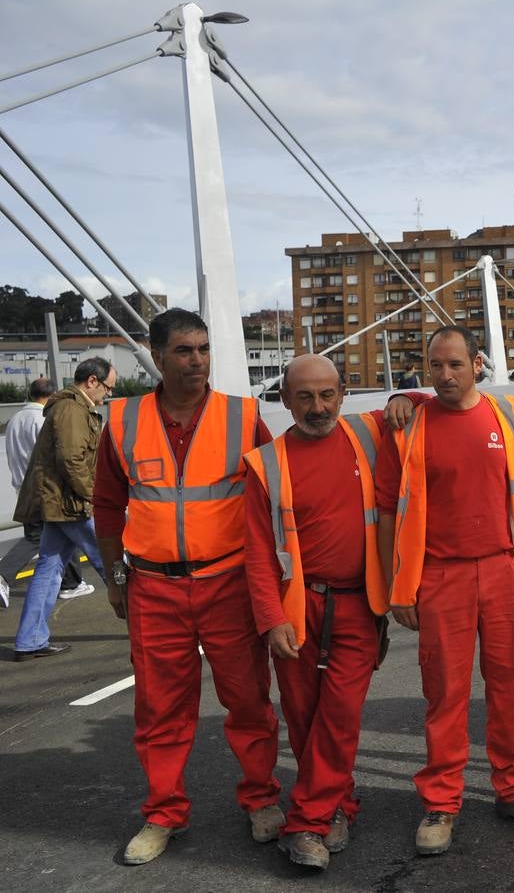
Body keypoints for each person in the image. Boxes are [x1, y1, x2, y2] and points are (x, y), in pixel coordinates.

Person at [93, 308, 282, 865]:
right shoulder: (123, 421)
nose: (197, 361)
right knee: (160, 710)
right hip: (155, 588)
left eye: (203, 349)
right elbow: (107, 504)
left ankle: (261, 799)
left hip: (230, 581)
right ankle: (163, 813)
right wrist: (116, 576)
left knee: (248, 699)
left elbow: (278, 493)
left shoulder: (242, 417)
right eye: (183, 351)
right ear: (156, 356)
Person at [375, 325, 514, 856]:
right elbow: (388, 508)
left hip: (505, 570)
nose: (445, 375)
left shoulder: (510, 416)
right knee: (445, 695)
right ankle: (441, 801)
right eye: (435, 366)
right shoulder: (410, 424)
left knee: (512, 685)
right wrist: (398, 586)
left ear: (478, 363)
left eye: (455, 364)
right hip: (439, 576)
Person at [243, 355, 388, 870]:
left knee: (340, 715)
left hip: (357, 606)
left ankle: (305, 823)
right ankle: (338, 806)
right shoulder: (265, 463)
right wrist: (270, 618)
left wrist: (402, 403)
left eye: (327, 394)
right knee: (304, 717)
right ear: (285, 401)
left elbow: (426, 402)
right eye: (304, 397)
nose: (317, 406)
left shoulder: (368, 436)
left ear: (345, 393)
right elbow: (258, 553)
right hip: (297, 608)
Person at [11, 359, 116, 659]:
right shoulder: (72, 409)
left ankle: (30, 640)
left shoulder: (67, 407)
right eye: (108, 388)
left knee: (49, 568)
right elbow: (72, 459)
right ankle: (148, 628)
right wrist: (94, 497)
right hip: (73, 504)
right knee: (112, 563)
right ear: (92, 381)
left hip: (57, 503)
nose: (108, 395)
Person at [1, 377, 94, 607]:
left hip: (24, 488)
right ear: (53, 394)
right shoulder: (43, 419)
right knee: (39, 537)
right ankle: (4, 573)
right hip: (45, 491)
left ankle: (71, 583)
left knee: (59, 537)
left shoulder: (15, 419)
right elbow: (55, 456)